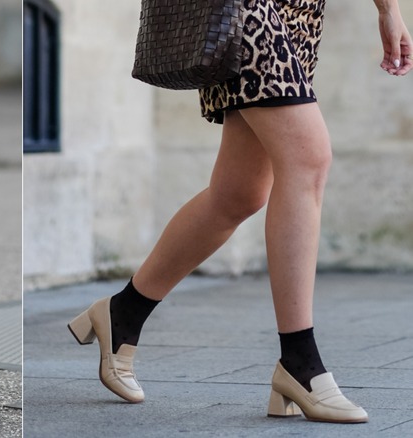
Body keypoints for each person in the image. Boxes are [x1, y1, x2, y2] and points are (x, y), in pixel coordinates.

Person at [68, 0, 411, 423]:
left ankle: (122, 314)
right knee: (308, 158)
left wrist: (388, 8)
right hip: (245, 8)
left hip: (300, 14)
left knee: (238, 193)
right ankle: (299, 362)